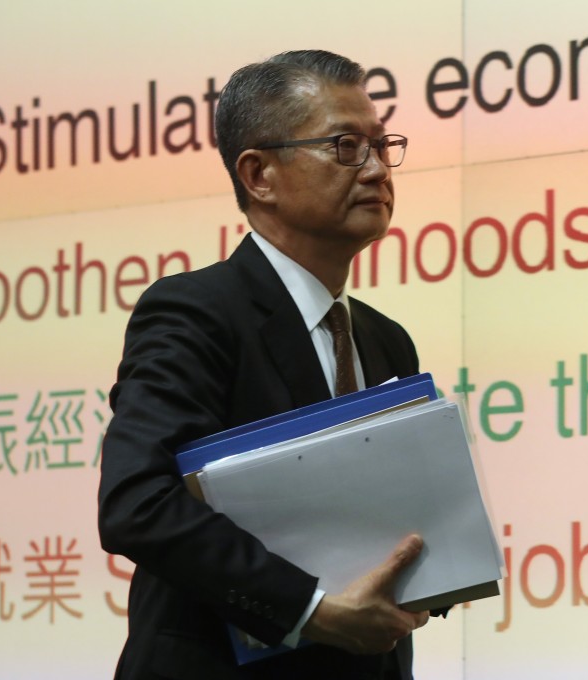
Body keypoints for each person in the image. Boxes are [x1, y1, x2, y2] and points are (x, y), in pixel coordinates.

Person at [98, 49, 436, 680]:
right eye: (344, 146)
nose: (375, 169)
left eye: (381, 145)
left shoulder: (386, 341)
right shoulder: (195, 312)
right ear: (259, 175)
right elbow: (137, 503)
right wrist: (307, 610)